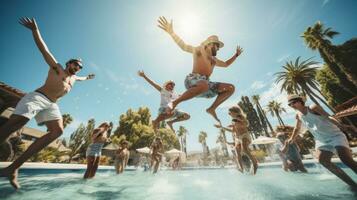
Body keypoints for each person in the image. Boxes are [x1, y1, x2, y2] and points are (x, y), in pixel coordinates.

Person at [0, 17, 95, 189]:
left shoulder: (73, 79)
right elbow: (44, 50)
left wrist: (87, 78)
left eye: (80, 66)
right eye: (75, 64)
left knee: (57, 131)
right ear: (69, 63)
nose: (77, 67)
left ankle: (13, 168)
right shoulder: (57, 68)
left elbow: (80, 78)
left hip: (51, 104)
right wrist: (35, 31)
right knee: (17, 122)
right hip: (38, 97)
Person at [157, 16, 243, 123]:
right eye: (217, 46)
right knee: (203, 84)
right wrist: (172, 33)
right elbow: (184, 46)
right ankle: (174, 103)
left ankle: (212, 108)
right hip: (192, 80)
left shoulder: (214, 60)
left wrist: (236, 55)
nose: (218, 49)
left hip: (206, 85)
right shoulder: (199, 51)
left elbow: (225, 64)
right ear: (210, 44)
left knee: (230, 88)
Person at [287, 94, 357, 186]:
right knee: (323, 160)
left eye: (293, 103)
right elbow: (297, 128)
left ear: (300, 101)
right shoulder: (298, 115)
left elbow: (328, 116)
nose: (292, 106)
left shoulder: (312, 107)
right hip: (321, 140)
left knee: (345, 159)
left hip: (335, 136)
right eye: (290, 104)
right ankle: (352, 184)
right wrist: (292, 138)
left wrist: (340, 125)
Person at [215, 106, 258, 174]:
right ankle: (241, 168)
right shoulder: (233, 121)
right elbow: (233, 131)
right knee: (237, 151)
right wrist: (222, 127)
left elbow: (246, 124)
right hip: (238, 138)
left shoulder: (241, 117)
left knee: (244, 149)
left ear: (235, 112)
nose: (229, 114)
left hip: (245, 136)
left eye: (230, 112)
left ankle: (255, 162)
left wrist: (240, 120)